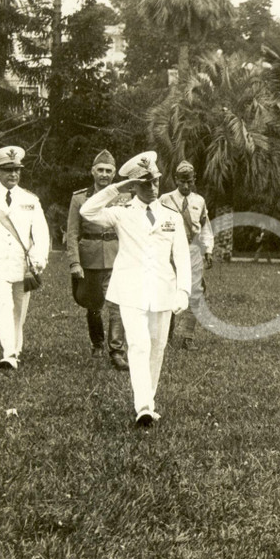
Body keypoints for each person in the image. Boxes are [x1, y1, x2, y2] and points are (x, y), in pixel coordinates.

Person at [80, 151, 191, 427]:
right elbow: (87, 211)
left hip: (162, 290)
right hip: (131, 290)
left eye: (155, 181)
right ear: (133, 186)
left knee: (157, 347)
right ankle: (143, 407)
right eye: (145, 183)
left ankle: (148, 401)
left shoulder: (172, 216)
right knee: (139, 345)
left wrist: (183, 291)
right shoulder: (121, 213)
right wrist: (117, 188)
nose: (152, 188)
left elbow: (182, 256)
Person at [0, 146, 51, 371]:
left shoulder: (30, 199)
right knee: (2, 303)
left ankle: (15, 349)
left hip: (22, 264)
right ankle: (9, 354)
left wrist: (39, 260)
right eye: (7, 170)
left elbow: (41, 234)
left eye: (17, 170)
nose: (13, 174)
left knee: (18, 309)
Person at [66, 149, 130, 370]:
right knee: (93, 306)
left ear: (114, 173)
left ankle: (117, 351)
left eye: (108, 171)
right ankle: (97, 343)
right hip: (89, 258)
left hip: (117, 257)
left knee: (117, 305)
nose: (104, 174)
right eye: (100, 170)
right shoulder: (79, 198)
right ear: (92, 172)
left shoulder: (124, 197)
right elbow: (72, 232)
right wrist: (75, 262)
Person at [160, 161, 215, 349]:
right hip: (170, 251)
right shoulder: (165, 199)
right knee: (169, 290)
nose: (185, 186)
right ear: (176, 179)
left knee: (195, 292)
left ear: (194, 180)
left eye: (189, 182)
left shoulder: (199, 201)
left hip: (193, 250)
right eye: (182, 181)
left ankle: (187, 337)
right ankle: (166, 335)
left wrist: (208, 250)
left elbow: (205, 227)